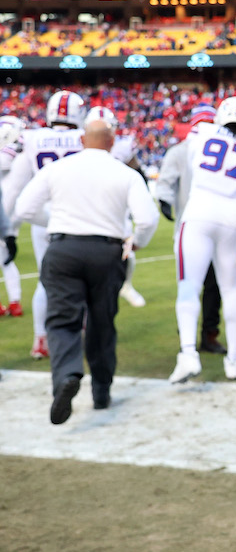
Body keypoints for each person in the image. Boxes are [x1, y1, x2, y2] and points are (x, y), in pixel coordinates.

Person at [14, 117, 158, 423]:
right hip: (107, 251)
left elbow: (23, 208)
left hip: (64, 248)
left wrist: (55, 222)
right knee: (102, 323)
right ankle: (101, 391)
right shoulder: (125, 172)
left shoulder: (57, 168)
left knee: (62, 321)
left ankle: (66, 375)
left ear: (82, 141)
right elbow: (146, 219)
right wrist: (137, 243)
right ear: (111, 141)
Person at [168, 97, 236, 384]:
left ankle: (188, 353)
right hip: (234, 217)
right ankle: (234, 360)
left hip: (199, 211)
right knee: (231, 289)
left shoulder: (201, 134)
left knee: (188, 286)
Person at [2, 90, 86, 360]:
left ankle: (41, 340)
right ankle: (81, 332)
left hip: (44, 217)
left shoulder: (33, 138)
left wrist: (8, 231)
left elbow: (14, 188)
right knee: (83, 278)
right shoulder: (84, 138)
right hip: (78, 215)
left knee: (44, 280)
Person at [154, 103, 227, 355]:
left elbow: (164, 184)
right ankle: (198, 334)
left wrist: (164, 200)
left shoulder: (182, 150)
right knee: (201, 286)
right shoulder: (182, 151)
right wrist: (164, 199)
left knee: (204, 286)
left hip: (201, 227)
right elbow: (165, 183)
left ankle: (205, 334)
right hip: (201, 228)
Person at [86, 106, 148, 308]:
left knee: (127, 250)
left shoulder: (123, 146)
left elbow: (136, 168)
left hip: (116, 204)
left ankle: (126, 285)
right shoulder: (81, 148)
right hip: (88, 204)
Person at [0, 114, 24, 317]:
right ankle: (14, 302)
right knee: (7, 259)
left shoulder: (12, 149)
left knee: (5, 258)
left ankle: (14, 302)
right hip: (15, 210)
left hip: (5, 210)